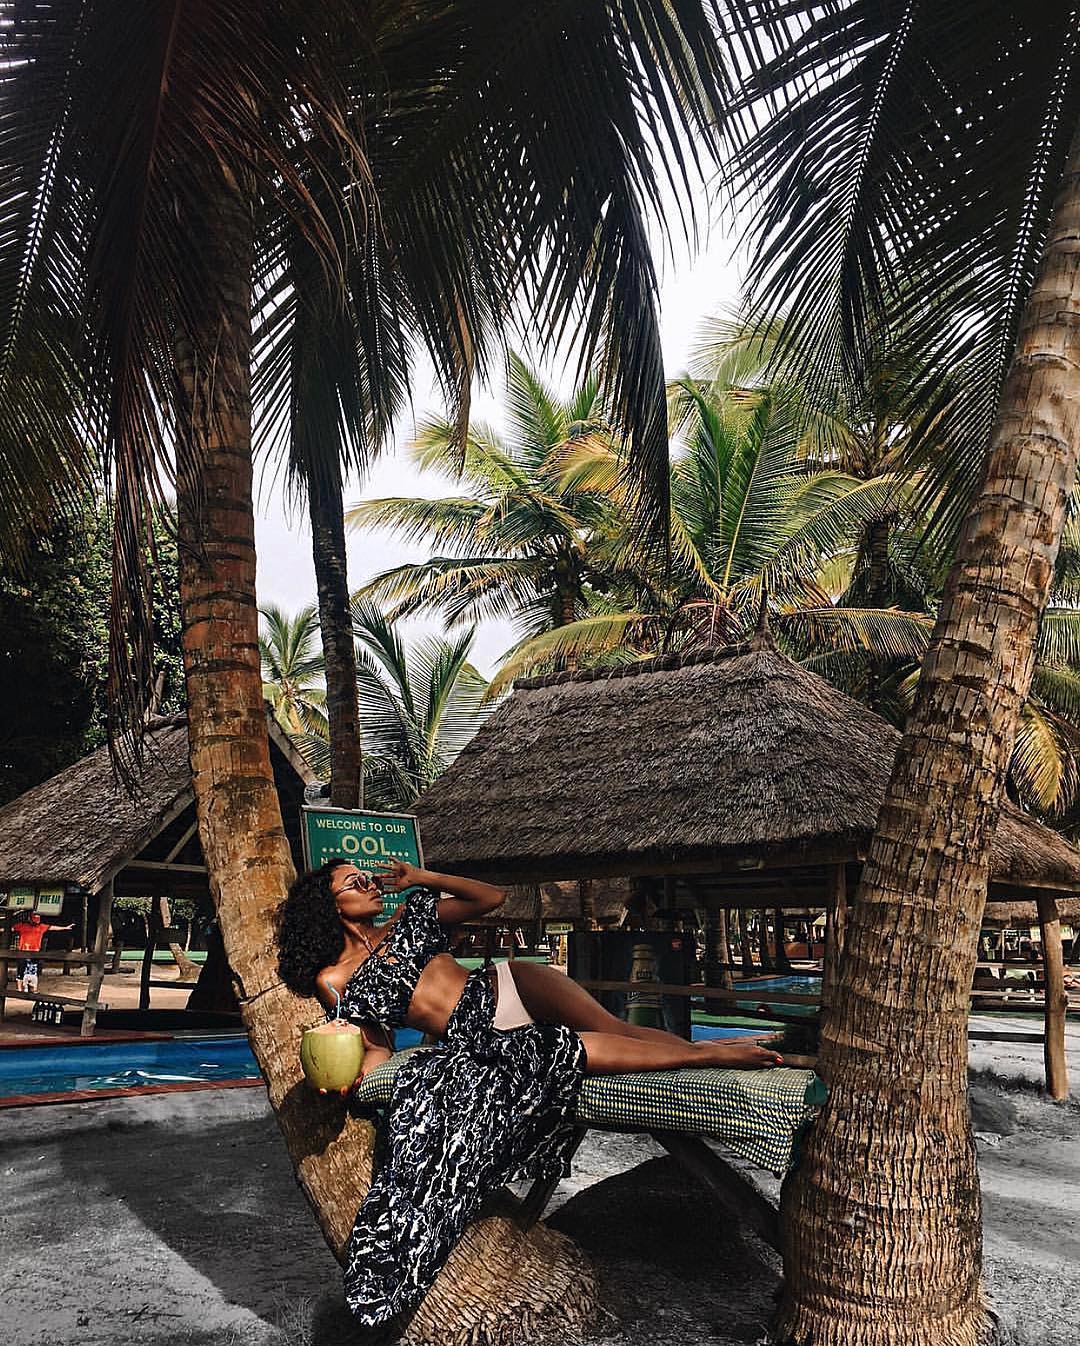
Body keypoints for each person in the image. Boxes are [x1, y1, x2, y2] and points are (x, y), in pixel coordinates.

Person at [277, 859, 782, 1327]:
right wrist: (354, 1084)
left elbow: (490, 897)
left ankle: (702, 1056)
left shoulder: (409, 918)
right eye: (355, 881)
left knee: (613, 1026)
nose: (370, 884)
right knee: (555, 1047)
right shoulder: (334, 980)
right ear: (328, 904)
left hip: (507, 985)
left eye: (368, 877)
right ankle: (707, 1054)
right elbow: (376, 1046)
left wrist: (422, 877)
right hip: (477, 1037)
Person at [10, 911, 74, 994]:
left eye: (38, 917)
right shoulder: (23, 926)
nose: (37, 919)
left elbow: (52, 927)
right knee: (21, 971)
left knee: (33, 971)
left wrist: (65, 928)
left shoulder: (41, 927)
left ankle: (33, 989)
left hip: (35, 953)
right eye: (35, 917)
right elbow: (10, 929)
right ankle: (20, 990)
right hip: (23, 952)